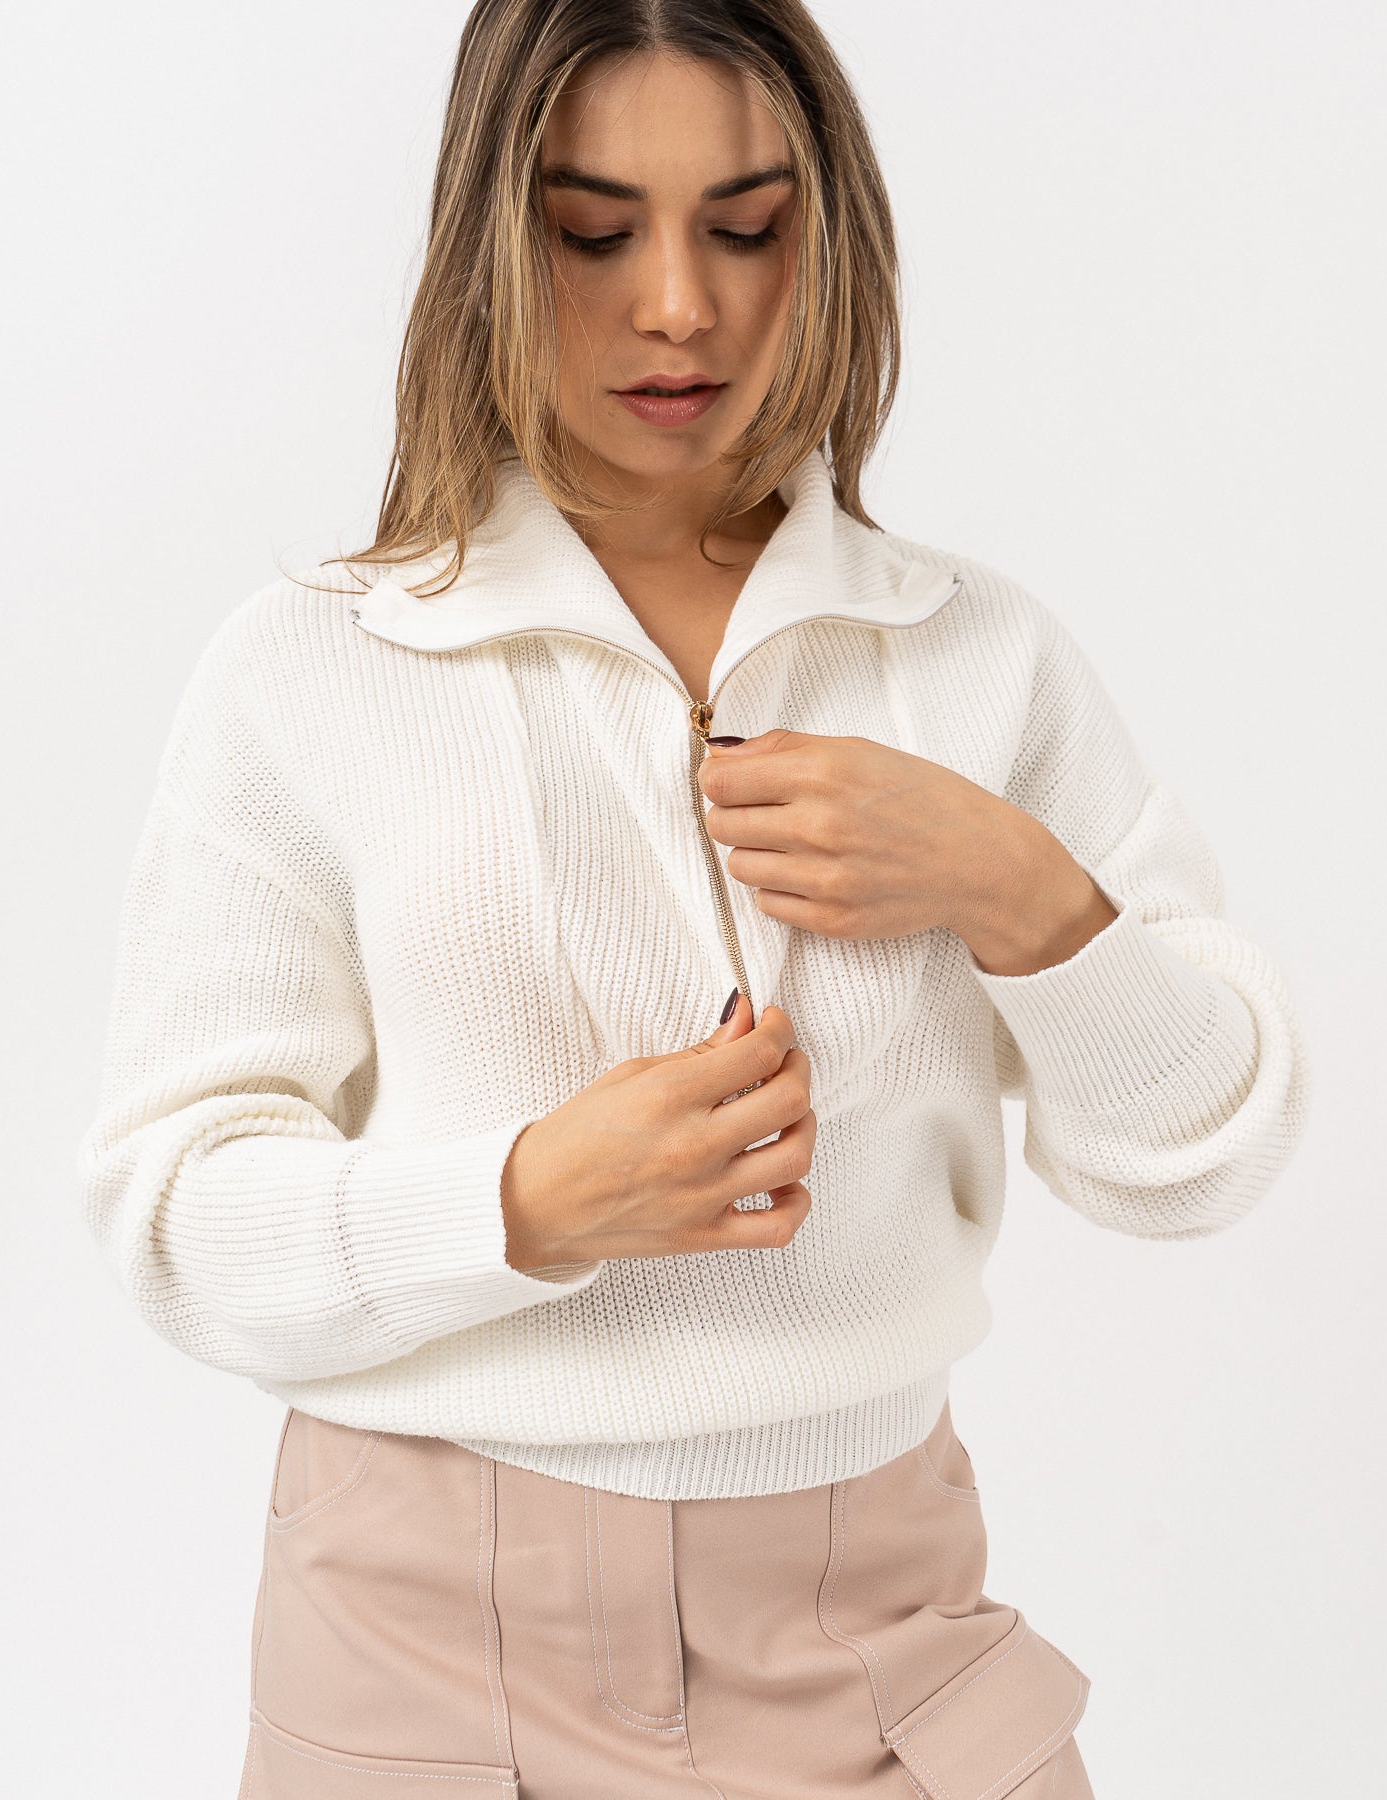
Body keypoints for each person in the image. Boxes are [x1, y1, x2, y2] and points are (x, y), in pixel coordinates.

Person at [76, 2, 1310, 1795]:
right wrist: (520, 1202)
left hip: (873, 1618)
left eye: (747, 227)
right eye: (594, 233)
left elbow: (1199, 1161)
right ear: (491, 246)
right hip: (422, 1638)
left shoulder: (975, 660)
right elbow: (173, 1218)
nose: (680, 306)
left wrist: (1015, 889)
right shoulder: (314, 670)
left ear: (833, 236)